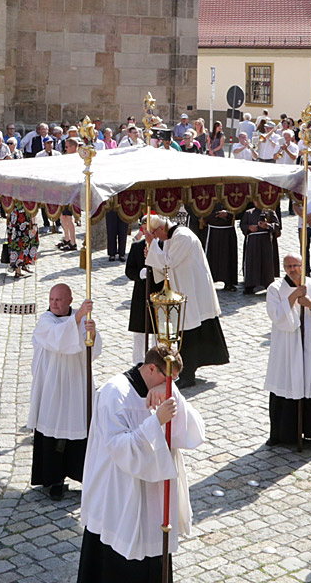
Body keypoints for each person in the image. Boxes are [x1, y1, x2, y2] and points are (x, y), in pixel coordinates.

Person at [76, 346, 206, 582]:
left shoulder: (163, 389)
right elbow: (119, 447)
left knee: (153, 554)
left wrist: (173, 397)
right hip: (119, 490)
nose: (171, 385)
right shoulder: (114, 393)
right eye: (169, 379)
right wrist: (156, 422)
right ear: (151, 368)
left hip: (153, 497)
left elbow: (193, 432)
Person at [145, 213, 229, 388]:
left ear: (161, 228)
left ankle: (188, 375)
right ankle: (187, 372)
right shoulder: (170, 238)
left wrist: (152, 246)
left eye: (155, 234)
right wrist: (152, 252)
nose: (157, 238)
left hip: (194, 291)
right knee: (187, 331)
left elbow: (168, 262)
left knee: (189, 331)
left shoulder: (183, 236)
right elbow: (163, 267)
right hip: (183, 288)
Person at [28, 283, 95, 500]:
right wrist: (78, 321)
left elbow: (92, 349)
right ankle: (53, 480)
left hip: (76, 382)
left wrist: (91, 335)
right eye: (51, 300)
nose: (54, 304)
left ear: (69, 300)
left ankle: (83, 475)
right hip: (53, 386)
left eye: (58, 300)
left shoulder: (81, 317)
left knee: (79, 427)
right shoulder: (45, 321)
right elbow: (57, 338)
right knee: (53, 431)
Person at [265, 252, 311, 449]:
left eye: (296, 265)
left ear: (302, 265)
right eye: (288, 266)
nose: (293, 269)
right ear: (284, 268)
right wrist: (293, 298)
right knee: (286, 383)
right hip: (287, 346)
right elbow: (276, 315)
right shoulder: (275, 289)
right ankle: (279, 433)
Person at [124, 222, 162, 363]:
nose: (147, 233)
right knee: (139, 332)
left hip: (158, 293)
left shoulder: (163, 246)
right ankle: (138, 362)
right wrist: (139, 274)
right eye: (144, 229)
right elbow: (129, 270)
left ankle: (157, 360)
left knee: (158, 331)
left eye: (150, 230)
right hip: (141, 294)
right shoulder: (136, 247)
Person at [240, 206, 281, 297]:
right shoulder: (248, 212)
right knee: (252, 261)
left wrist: (267, 226)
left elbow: (277, 226)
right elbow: (243, 225)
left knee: (266, 262)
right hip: (253, 241)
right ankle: (250, 284)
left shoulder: (270, 212)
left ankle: (267, 282)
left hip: (265, 240)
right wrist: (249, 228)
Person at [201, 209, 237, 292]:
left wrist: (228, 214)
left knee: (228, 256)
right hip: (212, 230)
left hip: (228, 231)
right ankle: (208, 281)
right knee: (211, 256)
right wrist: (213, 215)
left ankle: (229, 282)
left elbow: (239, 208)